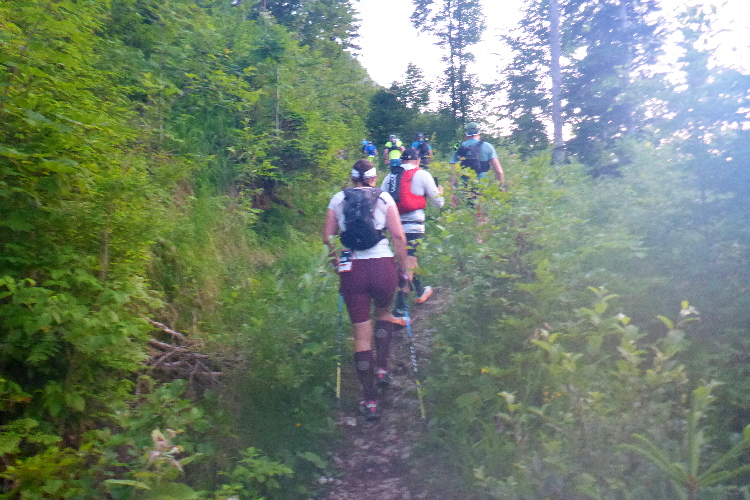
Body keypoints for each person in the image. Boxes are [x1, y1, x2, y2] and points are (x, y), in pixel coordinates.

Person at [323, 159, 409, 421]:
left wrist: (337, 263)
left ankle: (370, 400)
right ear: (373, 178)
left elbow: (327, 237)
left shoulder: (338, 199)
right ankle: (382, 368)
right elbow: (398, 237)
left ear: (352, 178)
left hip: (353, 270)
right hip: (382, 266)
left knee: (361, 335)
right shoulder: (383, 198)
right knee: (383, 313)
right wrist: (403, 270)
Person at [382, 148, 444, 319]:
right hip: (414, 226)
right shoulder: (422, 174)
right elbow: (438, 203)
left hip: (395, 227)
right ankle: (399, 307)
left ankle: (420, 290)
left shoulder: (390, 177)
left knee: (408, 259)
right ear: (417, 161)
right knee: (408, 263)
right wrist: (440, 192)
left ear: (402, 160)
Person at [449, 122, 505, 205]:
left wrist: (451, 191)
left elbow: (453, 170)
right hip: (482, 185)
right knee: (481, 208)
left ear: (466, 134)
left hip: (464, 186)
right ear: (479, 132)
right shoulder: (488, 146)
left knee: (466, 209)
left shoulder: (457, 145)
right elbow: (499, 171)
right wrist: (501, 187)